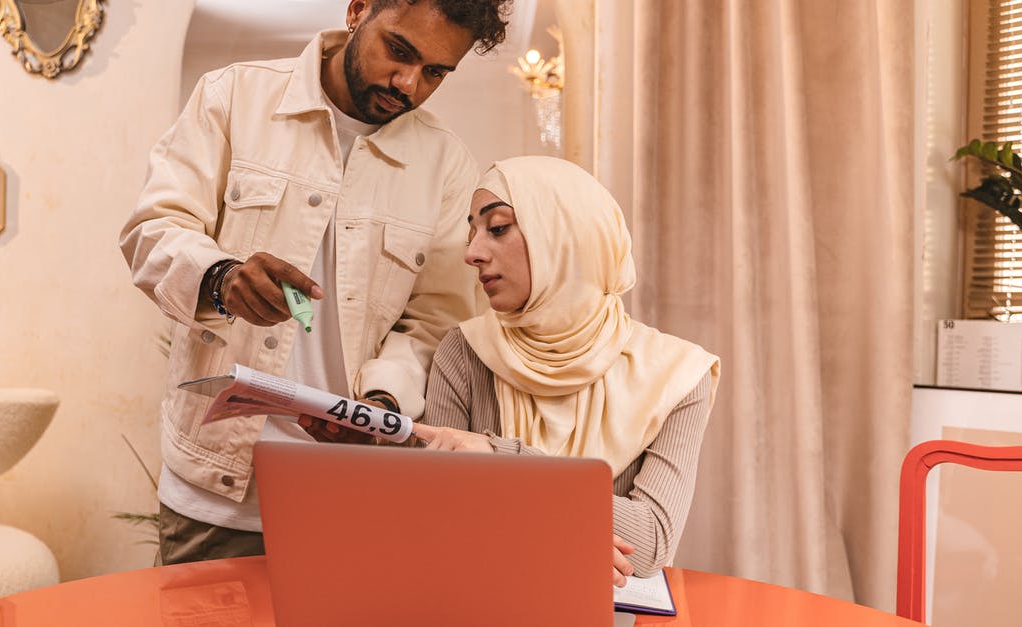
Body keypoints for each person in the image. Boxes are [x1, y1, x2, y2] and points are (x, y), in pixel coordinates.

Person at [119, 0, 513, 566]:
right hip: (214, 493)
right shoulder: (233, 97)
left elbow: (433, 322)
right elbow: (152, 231)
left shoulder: (447, 164)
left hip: (349, 493)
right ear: (357, 11)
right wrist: (221, 278)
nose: (408, 84)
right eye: (399, 51)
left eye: (435, 72)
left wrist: (381, 404)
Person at [411, 156, 721, 586]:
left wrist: (496, 460)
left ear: (564, 235)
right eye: (471, 233)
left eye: (497, 227)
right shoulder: (464, 351)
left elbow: (649, 543)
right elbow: (439, 519)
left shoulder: (678, 374)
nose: (472, 253)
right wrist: (566, 526)